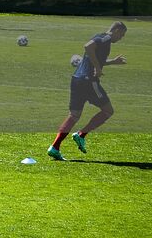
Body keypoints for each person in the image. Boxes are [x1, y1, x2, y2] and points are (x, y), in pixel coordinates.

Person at [48, 21, 128, 160]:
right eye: (121, 34)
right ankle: (81, 135)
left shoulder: (101, 37)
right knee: (108, 111)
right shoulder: (106, 38)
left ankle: (54, 147)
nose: (121, 38)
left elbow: (94, 56)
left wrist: (111, 62)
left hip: (77, 79)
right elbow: (88, 47)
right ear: (116, 30)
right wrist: (97, 68)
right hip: (89, 81)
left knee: (74, 115)